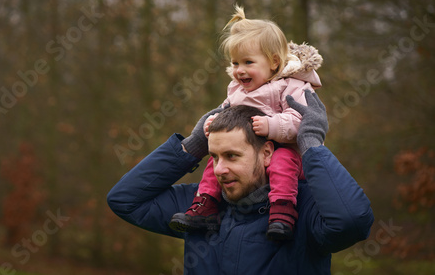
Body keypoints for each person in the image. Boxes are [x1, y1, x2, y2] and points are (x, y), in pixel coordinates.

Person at [107, 91, 374, 274]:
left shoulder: (303, 208)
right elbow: (125, 199)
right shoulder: (199, 209)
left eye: (232, 156)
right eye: (213, 157)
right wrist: (191, 147)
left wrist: (311, 145)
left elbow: (352, 220)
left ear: (267, 152)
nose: (220, 169)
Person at [169, 5, 323, 240]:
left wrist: (272, 126)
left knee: (282, 163)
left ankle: (283, 211)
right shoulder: (237, 90)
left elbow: (300, 120)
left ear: (273, 62)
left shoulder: (292, 85)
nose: (239, 71)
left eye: (248, 62)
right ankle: (206, 206)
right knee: (216, 164)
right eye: (235, 63)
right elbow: (226, 113)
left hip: (286, 152)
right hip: (248, 155)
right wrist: (213, 125)